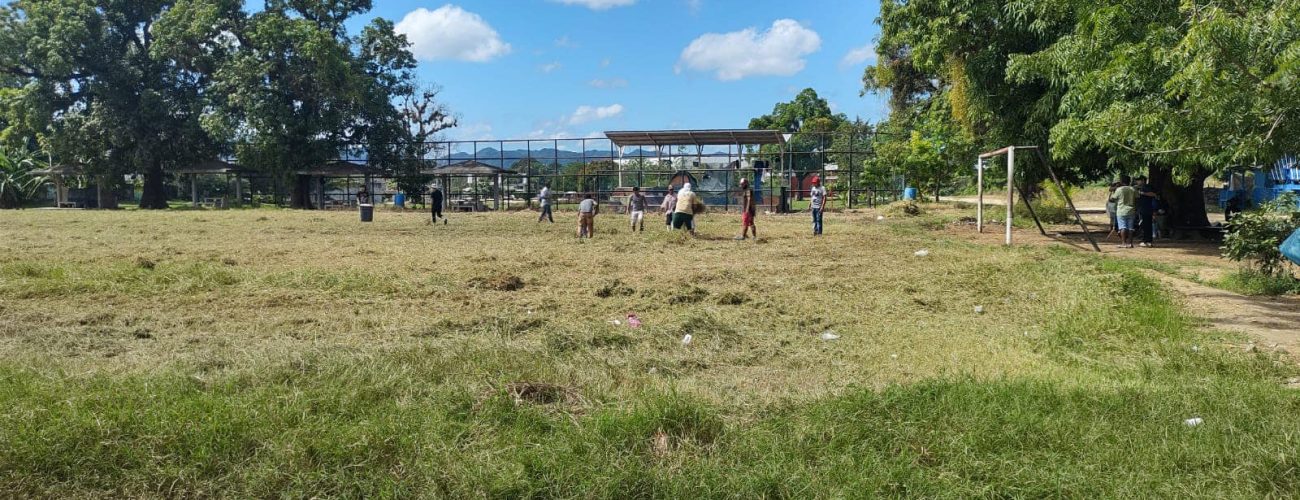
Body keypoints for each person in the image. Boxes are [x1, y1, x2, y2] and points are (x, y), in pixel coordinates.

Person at [1109, 175, 1138, 248]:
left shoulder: (1119, 190)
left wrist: (1113, 190)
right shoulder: (1133, 189)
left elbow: (1112, 199)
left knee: (1122, 227)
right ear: (1129, 181)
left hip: (1121, 210)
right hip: (1131, 210)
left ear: (1122, 182)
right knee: (1131, 227)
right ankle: (1130, 243)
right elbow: (1137, 198)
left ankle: (1123, 243)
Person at [1135, 175, 1158, 247]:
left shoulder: (1146, 187)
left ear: (1142, 180)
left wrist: (1143, 193)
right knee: (1145, 225)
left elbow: (1153, 194)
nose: (1137, 182)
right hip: (1143, 209)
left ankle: (1147, 241)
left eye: (1138, 180)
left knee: (1146, 225)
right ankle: (1147, 240)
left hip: (1147, 209)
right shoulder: (1139, 188)